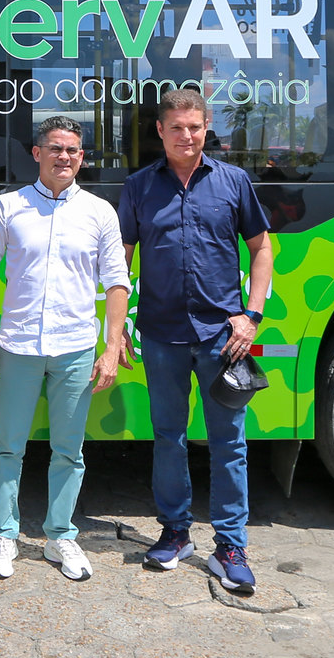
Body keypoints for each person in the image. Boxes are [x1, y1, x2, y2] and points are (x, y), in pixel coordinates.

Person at [117, 88, 274, 595]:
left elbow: (262, 249)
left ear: (207, 127)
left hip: (221, 338)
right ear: (160, 131)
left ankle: (231, 545)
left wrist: (251, 315)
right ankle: (176, 532)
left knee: (229, 443)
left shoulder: (233, 182)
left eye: (196, 127)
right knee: (169, 437)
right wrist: (116, 325)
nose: (187, 136)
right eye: (177, 128)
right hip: (160, 335)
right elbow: (121, 259)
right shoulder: (140, 186)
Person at [0, 116, 129, 583]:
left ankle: (61, 535)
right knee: (8, 447)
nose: (65, 157)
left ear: (82, 157)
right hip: (17, 345)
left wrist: (111, 345)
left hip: (76, 347)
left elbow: (117, 281)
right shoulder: (9, 207)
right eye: (56, 148)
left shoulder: (100, 212)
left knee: (69, 450)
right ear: (36, 153)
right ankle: (4, 533)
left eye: (74, 150)